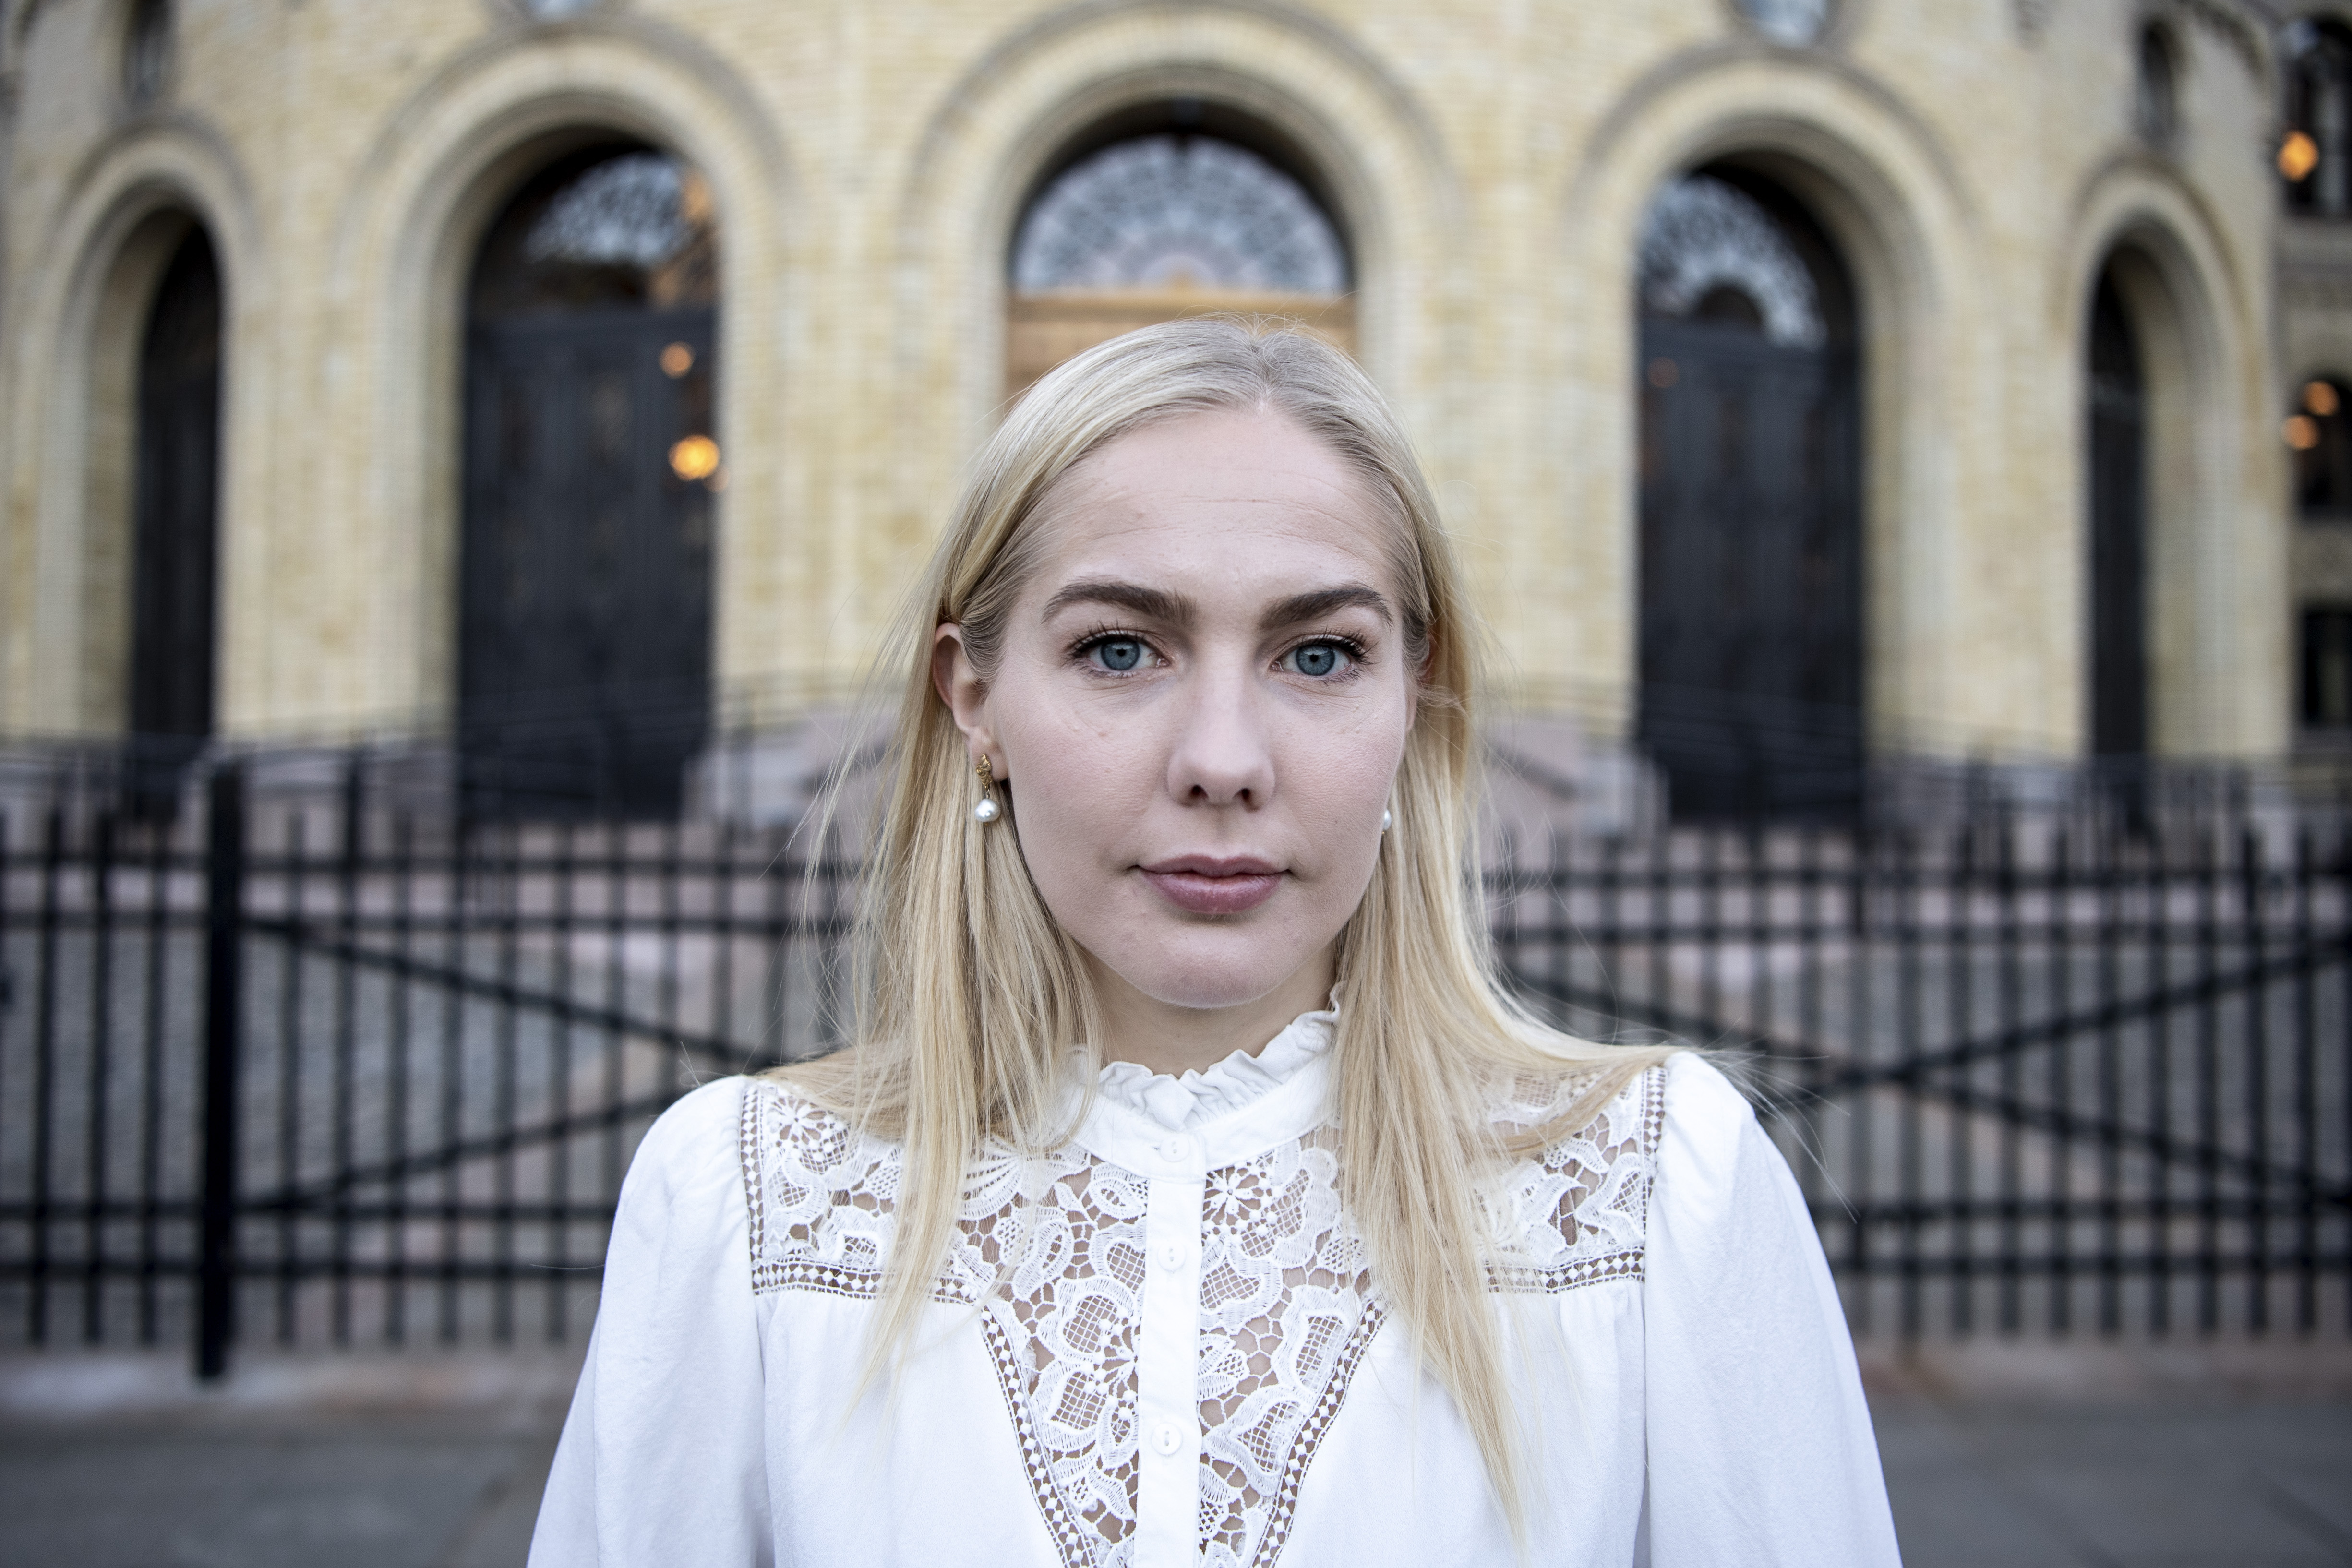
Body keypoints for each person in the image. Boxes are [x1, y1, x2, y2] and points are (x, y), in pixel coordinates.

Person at [527, 320, 1902, 1567]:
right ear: (974, 696)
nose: (1224, 762)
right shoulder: (746, 1209)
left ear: (1412, 704)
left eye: (1317, 655)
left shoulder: (1656, 1194)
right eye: (1121, 648)